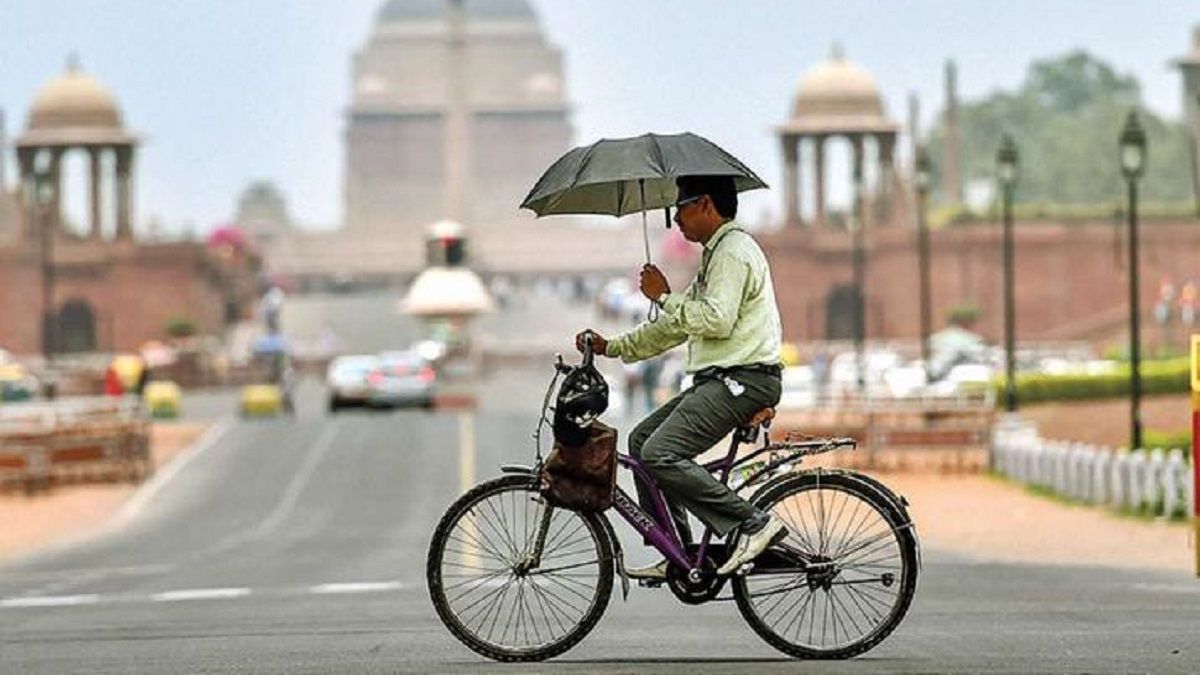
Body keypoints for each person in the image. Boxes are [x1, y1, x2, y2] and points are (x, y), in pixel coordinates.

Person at [575, 174, 786, 579]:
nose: (675, 220)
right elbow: (674, 327)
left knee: (660, 454)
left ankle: (753, 523)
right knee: (640, 442)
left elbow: (716, 319)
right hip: (722, 380)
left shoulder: (733, 251)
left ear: (705, 204)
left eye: (680, 208)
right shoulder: (715, 255)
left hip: (743, 380)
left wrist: (663, 297)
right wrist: (612, 347)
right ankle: (679, 549)